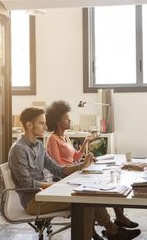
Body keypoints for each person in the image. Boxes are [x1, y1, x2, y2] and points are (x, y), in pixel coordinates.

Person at [8, 107, 140, 240]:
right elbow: (27, 183)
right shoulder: (18, 150)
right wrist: (55, 186)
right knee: (84, 199)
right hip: (33, 201)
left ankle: (105, 232)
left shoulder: (39, 146)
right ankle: (110, 231)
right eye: (41, 123)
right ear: (29, 125)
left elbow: (58, 170)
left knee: (88, 194)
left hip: (45, 194)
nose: (46, 126)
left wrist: (81, 166)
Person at [45, 101, 139, 239]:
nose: (70, 120)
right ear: (58, 122)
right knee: (94, 191)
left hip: (75, 172)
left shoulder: (65, 136)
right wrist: (79, 166)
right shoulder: (52, 139)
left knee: (106, 182)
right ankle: (110, 229)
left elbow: (75, 157)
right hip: (65, 178)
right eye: (66, 118)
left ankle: (117, 220)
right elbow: (59, 165)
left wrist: (86, 143)